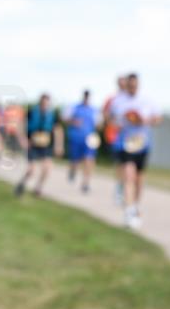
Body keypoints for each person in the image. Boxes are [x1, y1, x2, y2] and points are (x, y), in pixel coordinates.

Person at [110, 73, 161, 229]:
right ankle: (129, 210)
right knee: (129, 175)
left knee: (139, 179)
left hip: (142, 144)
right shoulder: (118, 101)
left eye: (135, 85)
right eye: (130, 85)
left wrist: (145, 120)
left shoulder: (147, 100)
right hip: (125, 143)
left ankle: (135, 205)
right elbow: (110, 119)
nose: (132, 88)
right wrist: (120, 123)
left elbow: (158, 118)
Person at [14, 94, 64, 197]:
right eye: (43, 103)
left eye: (47, 104)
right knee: (31, 170)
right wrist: (23, 139)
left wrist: (59, 146)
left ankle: (38, 188)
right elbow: (20, 125)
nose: (45, 105)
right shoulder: (32, 112)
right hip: (33, 144)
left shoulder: (52, 115)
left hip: (45, 145)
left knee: (47, 168)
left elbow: (58, 131)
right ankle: (22, 184)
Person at [64, 89, 102, 194]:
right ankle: (73, 171)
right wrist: (73, 121)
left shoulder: (94, 110)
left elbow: (99, 125)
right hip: (75, 138)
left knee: (89, 159)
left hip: (89, 139)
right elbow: (65, 119)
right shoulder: (74, 107)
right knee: (75, 160)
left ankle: (85, 183)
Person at [104, 76, 128, 206]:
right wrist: (114, 125)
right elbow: (106, 116)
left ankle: (125, 188)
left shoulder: (133, 99)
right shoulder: (113, 100)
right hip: (116, 137)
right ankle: (120, 188)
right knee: (120, 164)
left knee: (128, 165)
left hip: (130, 138)